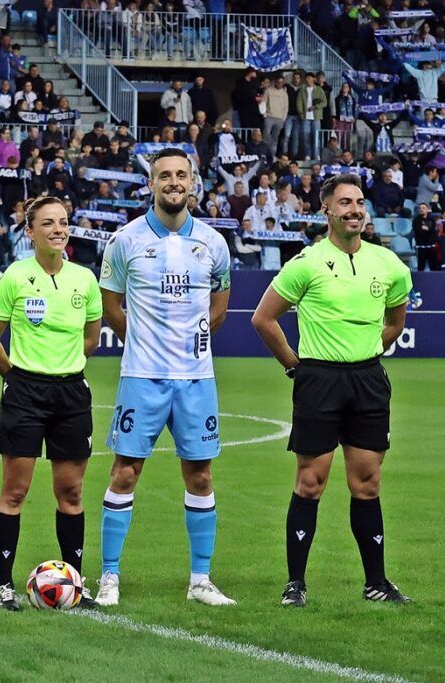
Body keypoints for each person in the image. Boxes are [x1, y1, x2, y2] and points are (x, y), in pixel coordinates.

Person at [251, 173, 413, 607]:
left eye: (359, 202)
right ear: (326, 210)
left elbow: (395, 323)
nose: (355, 210)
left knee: (368, 483)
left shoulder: (389, 265)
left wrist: (365, 352)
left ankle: (376, 582)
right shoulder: (306, 262)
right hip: (318, 381)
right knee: (310, 482)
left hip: (368, 380)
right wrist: (295, 366)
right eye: (345, 203)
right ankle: (295, 584)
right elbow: (263, 319)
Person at [94, 148, 236, 608]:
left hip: (196, 378)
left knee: (199, 476)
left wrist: (191, 339)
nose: (173, 182)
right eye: (164, 176)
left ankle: (200, 580)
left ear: (193, 182)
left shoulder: (214, 243)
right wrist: (141, 339)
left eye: (181, 175)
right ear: (150, 184)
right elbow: (111, 303)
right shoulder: (125, 240)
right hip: (142, 376)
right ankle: (109, 577)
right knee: (125, 472)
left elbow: (219, 306)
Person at [0, 197, 103, 611]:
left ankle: (76, 585)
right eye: (47, 223)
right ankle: (4, 586)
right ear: (29, 231)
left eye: (63, 222)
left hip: (71, 393)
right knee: (15, 491)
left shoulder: (84, 279)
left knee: (71, 491)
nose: (57, 229)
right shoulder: (14, 277)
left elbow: (90, 337)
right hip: (25, 393)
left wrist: (65, 365)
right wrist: (15, 378)